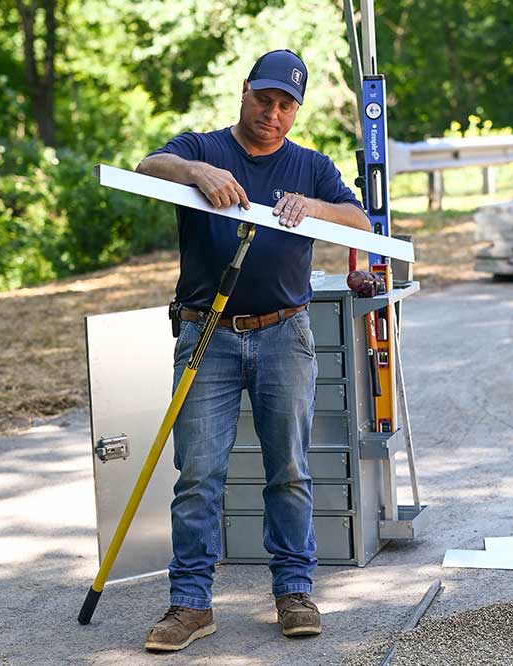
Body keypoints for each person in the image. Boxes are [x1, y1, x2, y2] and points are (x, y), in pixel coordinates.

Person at [135, 49, 370, 652]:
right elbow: (146, 165)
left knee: (288, 469)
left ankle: (294, 591)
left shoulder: (311, 166)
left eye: (286, 105)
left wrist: (314, 208)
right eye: (264, 99)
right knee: (199, 475)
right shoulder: (204, 148)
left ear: (296, 111)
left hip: (283, 333)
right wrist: (196, 174)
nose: (273, 113)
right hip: (205, 333)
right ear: (245, 92)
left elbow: (359, 223)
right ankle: (190, 605)